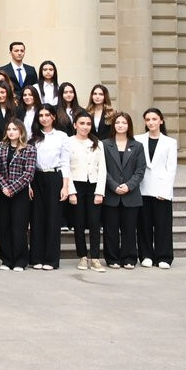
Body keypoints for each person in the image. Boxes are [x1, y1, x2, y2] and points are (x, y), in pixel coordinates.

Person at [102, 112, 146, 269]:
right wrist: (113, 185)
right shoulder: (104, 144)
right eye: (117, 122)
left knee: (129, 229)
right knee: (110, 229)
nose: (120, 125)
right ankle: (112, 258)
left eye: (124, 123)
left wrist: (129, 185)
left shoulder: (137, 146)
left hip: (131, 195)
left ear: (129, 126)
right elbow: (102, 169)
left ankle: (129, 258)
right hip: (111, 194)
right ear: (113, 125)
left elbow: (140, 170)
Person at [29, 105, 70, 270]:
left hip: (55, 177)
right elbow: (29, 163)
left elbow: (65, 162)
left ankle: (51, 259)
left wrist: (65, 186)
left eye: (47, 115)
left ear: (53, 117)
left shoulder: (62, 136)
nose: (44, 118)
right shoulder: (33, 137)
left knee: (53, 218)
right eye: (41, 115)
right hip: (36, 177)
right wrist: (29, 184)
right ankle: (36, 258)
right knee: (37, 218)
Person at [137, 108, 178, 269]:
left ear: (161, 121)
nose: (151, 122)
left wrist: (165, 191)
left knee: (163, 225)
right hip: (142, 188)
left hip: (162, 190)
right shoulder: (138, 139)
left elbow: (171, 168)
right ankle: (146, 255)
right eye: (148, 119)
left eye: (154, 119)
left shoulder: (170, 142)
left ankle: (164, 256)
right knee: (144, 224)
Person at [66, 112, 106, 272]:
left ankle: (95, 258)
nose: (85, 126)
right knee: (79, 223)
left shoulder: (97, 143)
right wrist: (71, 191)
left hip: (93, 185)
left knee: (95, 223)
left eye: (88, 124)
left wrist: (100, 192)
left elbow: (102, 169)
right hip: (76, 185)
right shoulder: (68, 142)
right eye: (81, 123)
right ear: (75, 125)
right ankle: (82, 256)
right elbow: (66, 167)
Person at [0, 119, 36, 271]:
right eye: (9, 129)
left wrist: (12, 189)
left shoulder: (29, 149)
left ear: (21, 131)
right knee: (3, 226)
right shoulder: (0, 147)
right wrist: (4, 187)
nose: (11, 132)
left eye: (14, 129)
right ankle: (6, 260)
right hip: (2, 192)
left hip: (20, 193)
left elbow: (28, 174)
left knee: (19, 227)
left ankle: (20, 260)